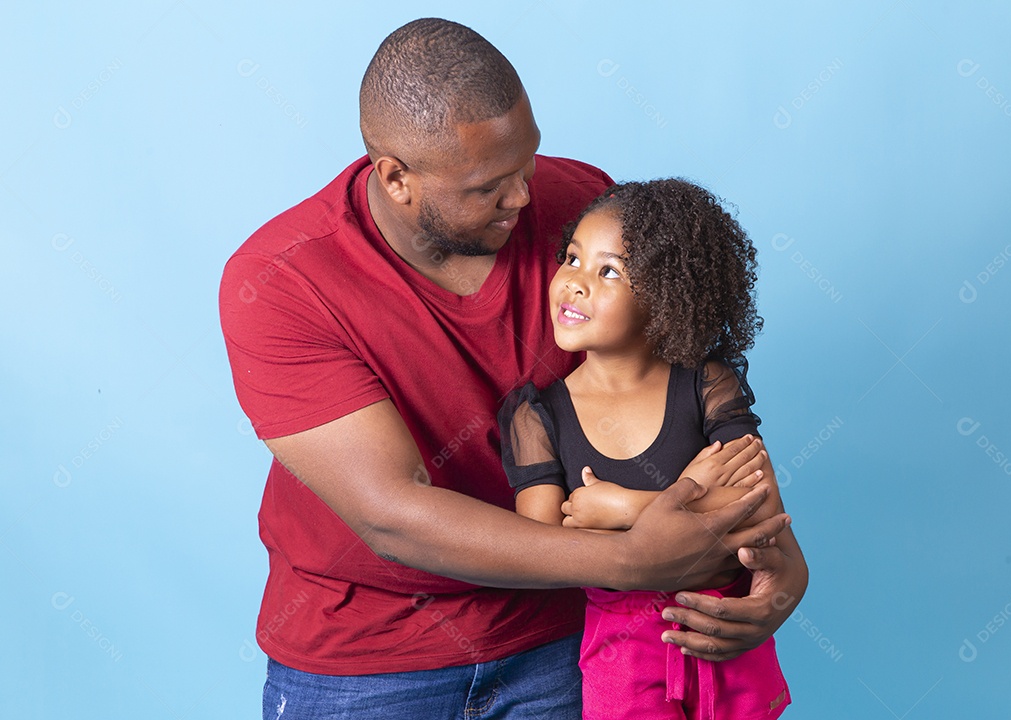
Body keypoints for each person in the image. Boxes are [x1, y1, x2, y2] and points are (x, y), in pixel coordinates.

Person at [219, 17, 807, 719]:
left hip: (569, 639)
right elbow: (393, 514)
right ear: (396, 178)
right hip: (369, 660)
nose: (525, 198)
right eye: (488, 186)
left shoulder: (582, 211)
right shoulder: (282, 281)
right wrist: (633, 561)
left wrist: (784, 569)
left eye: (527, 163)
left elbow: (689, 410)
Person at [500, 179, 792, 719]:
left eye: (608, 270)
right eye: (572, 259)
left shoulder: (707, 385)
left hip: (726, 634)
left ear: (666, 294)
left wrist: (620, 508)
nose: (575, 283)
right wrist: (699, 498)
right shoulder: (535, 415)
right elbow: (546, 548)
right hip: (624, 654)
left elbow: (758, 511)